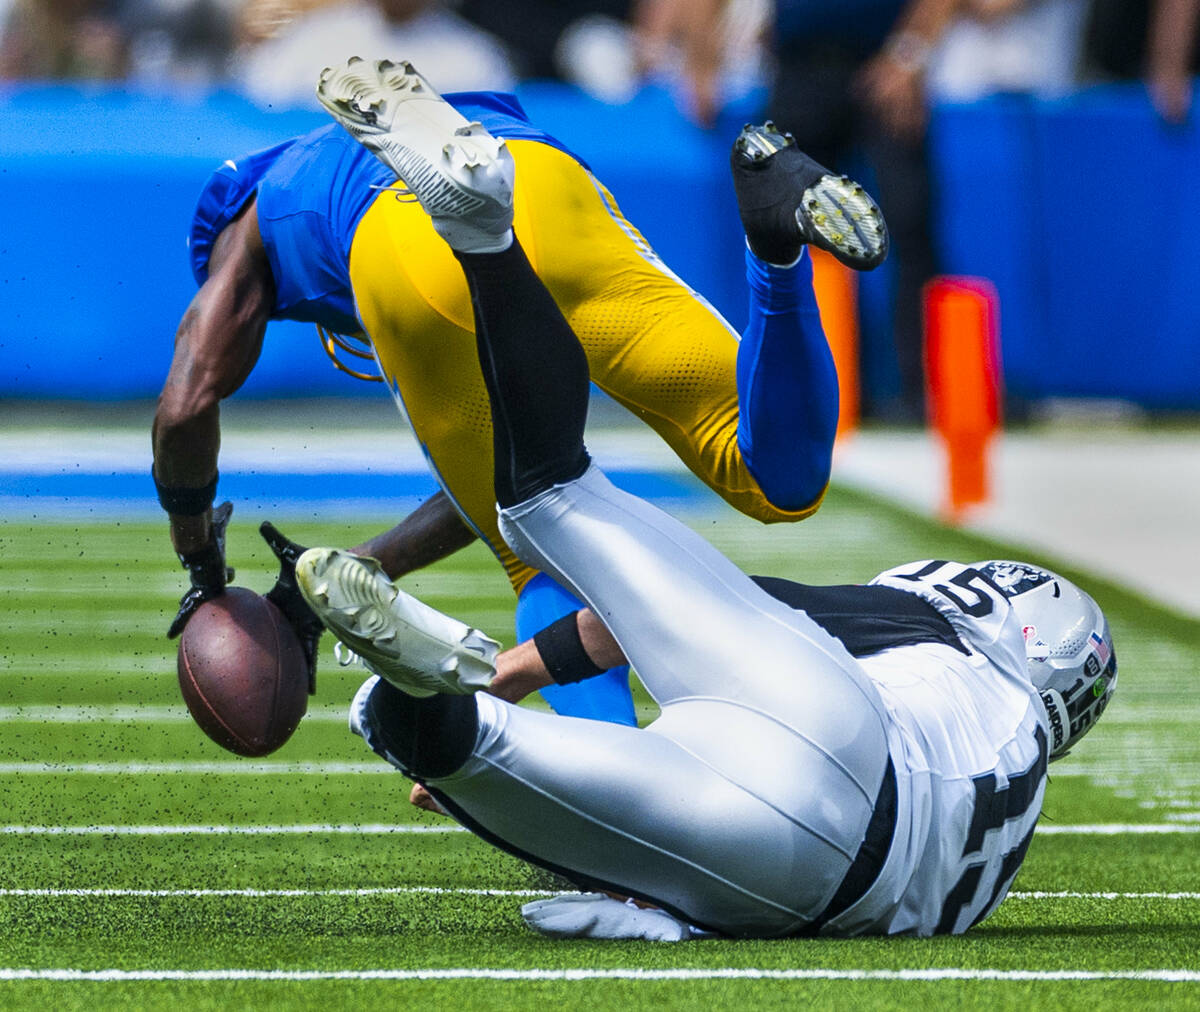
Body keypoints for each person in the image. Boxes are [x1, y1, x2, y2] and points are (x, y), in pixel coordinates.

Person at [291, 61, 1117, 939]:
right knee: (436, 741)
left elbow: (755, 609)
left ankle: (488, 233)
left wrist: (522, 668)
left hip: (849, 745)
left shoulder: (957, 640)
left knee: (548, 501)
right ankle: (431, 713)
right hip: (793, 886)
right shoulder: (1011, 801)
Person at [151, 57, 889, 727]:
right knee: (776, 478)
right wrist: (371, 562)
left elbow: (184, 406)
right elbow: (503, 463)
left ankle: (621, 832)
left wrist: (200, 559)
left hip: (398, 237)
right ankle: (776, 247)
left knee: (544, 548)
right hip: (540, 176)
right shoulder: (309, 162)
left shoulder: (249, 223)